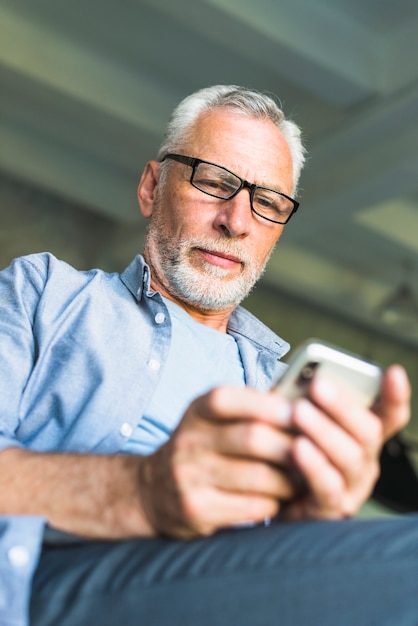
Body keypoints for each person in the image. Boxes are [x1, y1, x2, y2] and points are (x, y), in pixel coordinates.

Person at [0, 84, 416, 626]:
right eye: (215, 182)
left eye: (267, 203)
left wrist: (310, 529)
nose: (237, 221)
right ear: (152, 187)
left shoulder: (281, 386)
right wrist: (141, 491)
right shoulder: (44, 294)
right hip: (49, 586)